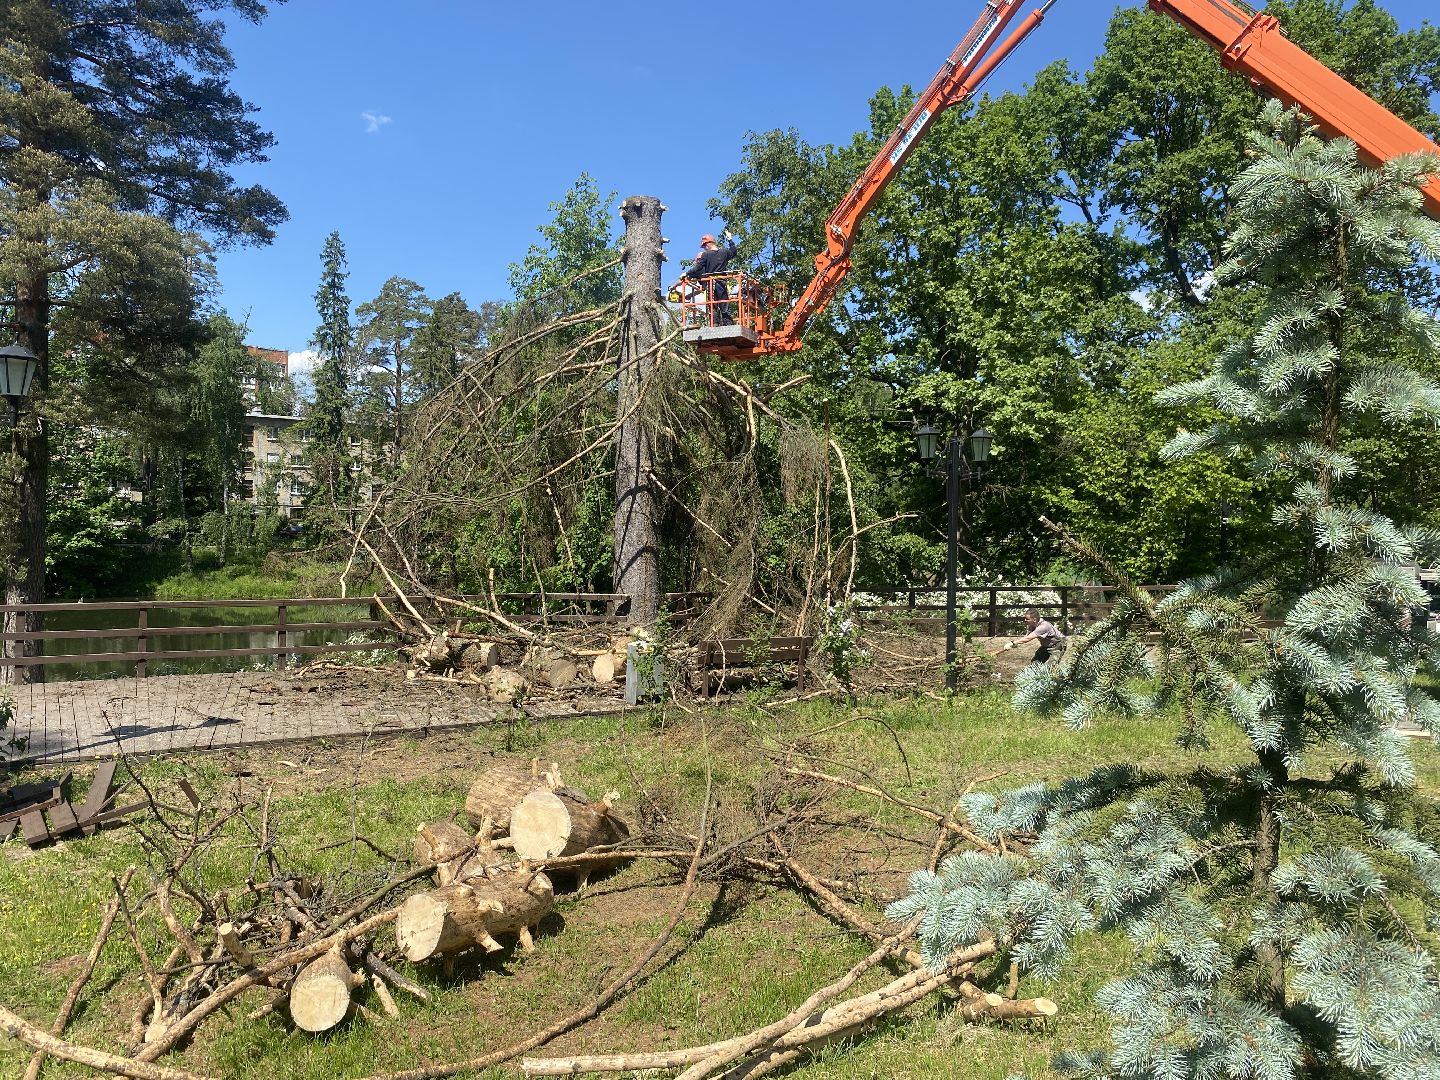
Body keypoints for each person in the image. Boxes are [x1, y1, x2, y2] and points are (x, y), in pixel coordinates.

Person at [673, 231, 740, 326]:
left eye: (704, 246)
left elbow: (698, 268)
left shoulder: (706, 255)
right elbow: (733, 251)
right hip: (722, 283)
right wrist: (730, 239)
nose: (704, 248)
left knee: (712, 306)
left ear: (708, 244)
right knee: (724, 304)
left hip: (711, 284)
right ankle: (728, 324)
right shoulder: (724, 252)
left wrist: (686, 273)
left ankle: (715, 325)